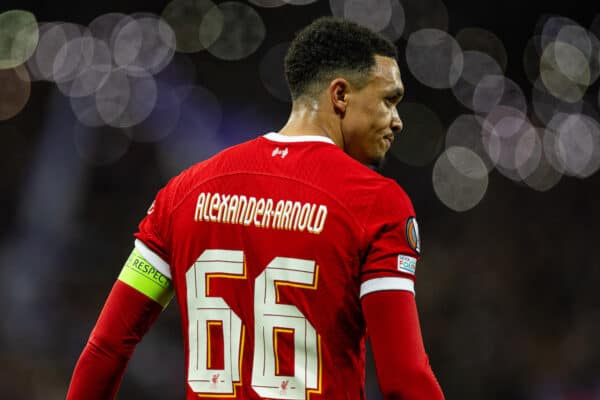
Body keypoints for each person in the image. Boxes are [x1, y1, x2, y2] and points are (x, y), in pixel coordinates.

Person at [67, 16, 445, 400]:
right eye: (389, 100)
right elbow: (405, 379)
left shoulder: (182, 194)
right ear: (341, 95)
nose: (397, 121)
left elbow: (105, 349)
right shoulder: (375, 202)